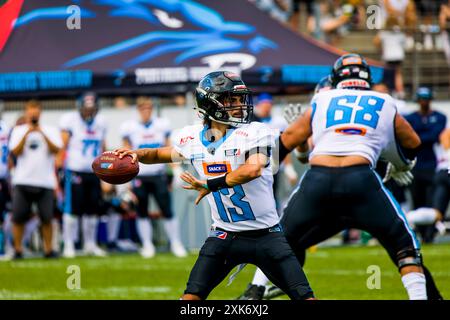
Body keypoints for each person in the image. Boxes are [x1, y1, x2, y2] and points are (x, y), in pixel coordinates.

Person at [115, 71, 315, 300]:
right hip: (224, 236)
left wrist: (212, 184)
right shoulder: (191, 138)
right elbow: (160, 153)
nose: (239, 105)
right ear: (210, 102)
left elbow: (253, 168)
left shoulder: (254, 132)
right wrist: (135, 154)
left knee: (306, 298)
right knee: (190, 298)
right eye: (232, 99)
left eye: (240, 99)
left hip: (267, 236)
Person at [276, 53, 436, 300]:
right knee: (405, 246)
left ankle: (260, 291)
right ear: (367, 78)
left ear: (336, 77)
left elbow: (286, 142)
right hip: (360, 178)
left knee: (280, 241)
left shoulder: (322, 98)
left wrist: (257, 166)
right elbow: (413, 143)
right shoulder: (383, 100)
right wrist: (399, 162)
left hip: (318, 178)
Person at [119, 96, 187, 258]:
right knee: (142, 211)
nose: (146, 111)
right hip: (139, 175)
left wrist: (176, 169)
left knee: (167, 210)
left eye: (148, 107)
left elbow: (167, 148)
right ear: (138, 110)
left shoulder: (161, 125)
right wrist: (125, 179)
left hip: (158, 174)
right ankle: (147, 244)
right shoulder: (129, 127)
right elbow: (126, 151)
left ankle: (175, 243)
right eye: (143, 108)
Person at [8, 100, 62, 259]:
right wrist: (28, 133)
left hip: (45, 180)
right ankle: (18, 250)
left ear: (40, 112)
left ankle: (48, 249)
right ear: (26, 112)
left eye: (36, 111)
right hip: (23, 180)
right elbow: (15, 152)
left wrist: (41, 133)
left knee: (47, 217)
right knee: (18, 217)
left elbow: (56, 149)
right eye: (30, 111)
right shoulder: (18, 130)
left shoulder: (50, 130)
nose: (33, 114)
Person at [60, 92, 107, 258]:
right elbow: (63, 146)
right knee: (72, 209)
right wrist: (59, 167)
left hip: (94, 171)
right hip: (75, 170)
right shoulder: (70, 120)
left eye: (92, 108)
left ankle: (90, 244)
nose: (89, 111)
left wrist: (106, 171)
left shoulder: (101, 123)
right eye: (87, 108)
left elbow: (103, 148)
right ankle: (69, 244)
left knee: (93, 209)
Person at [404, 87, 447, 243]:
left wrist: (419, 137)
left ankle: (430, 234)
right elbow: (410, 137)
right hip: (415, 165)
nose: (424, 102)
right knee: (417, 200)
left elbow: (432, 136)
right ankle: (422, 233)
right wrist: (421, 136)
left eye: (426, 98)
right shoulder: (410, 117)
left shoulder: (439, 117)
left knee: (431, 202)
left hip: (432, 166)